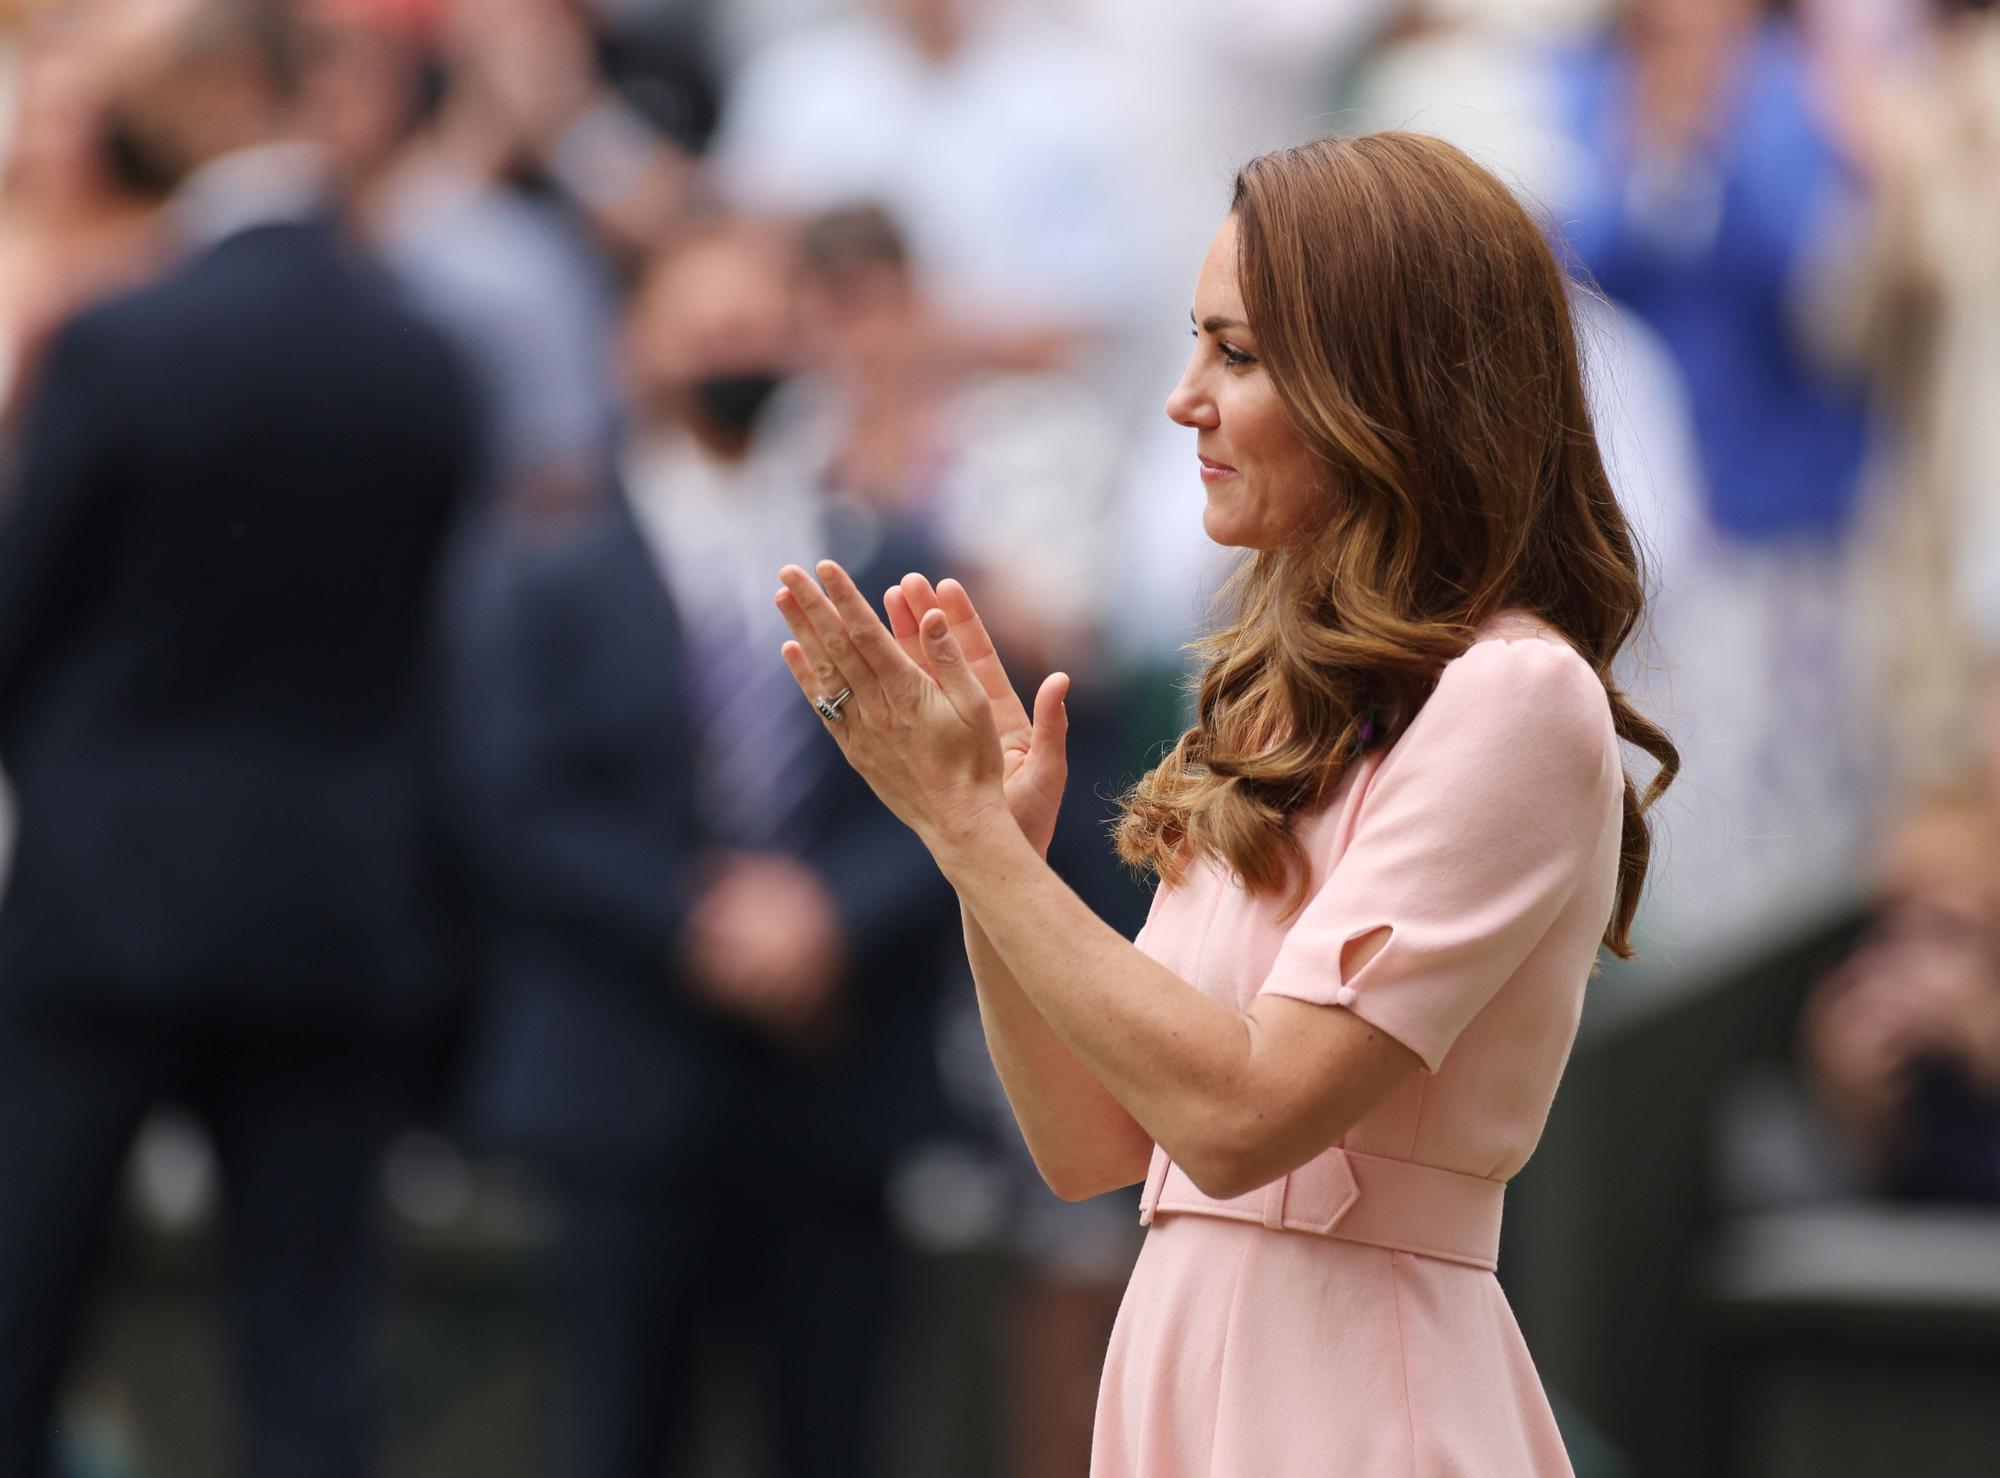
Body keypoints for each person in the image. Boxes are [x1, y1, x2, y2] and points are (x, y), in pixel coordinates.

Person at [773, 131, 1680, 1475]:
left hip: (1363, 1409)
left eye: (1237, 354)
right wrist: (985, 849)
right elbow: (1091, 1143)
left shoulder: (1515, 697)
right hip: (1187, 1385)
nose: (1183, 399)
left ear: (1389, 385)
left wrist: (970, 837)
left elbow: (1245, 1116)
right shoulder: (1279, 703)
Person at [0, 0, 478, 1472]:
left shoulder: (121, 343)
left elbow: (19, 616)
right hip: (334, 912)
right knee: (312, 1356)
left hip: (103, 904)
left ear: (216, 94)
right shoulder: (424, 361)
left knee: (21, 1325)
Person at [452, 218, 954, 1478]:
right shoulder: (549, 558)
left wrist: (828, 915)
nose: (736, 349)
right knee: (615, 1430)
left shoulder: (885, 555)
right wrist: (699, 917)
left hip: (833, 1077)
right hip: (627, 1075)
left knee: (833, 1433)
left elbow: (962, 785)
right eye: (705, 325)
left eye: (760, 324)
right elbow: (512, 798)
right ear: (637, 348)